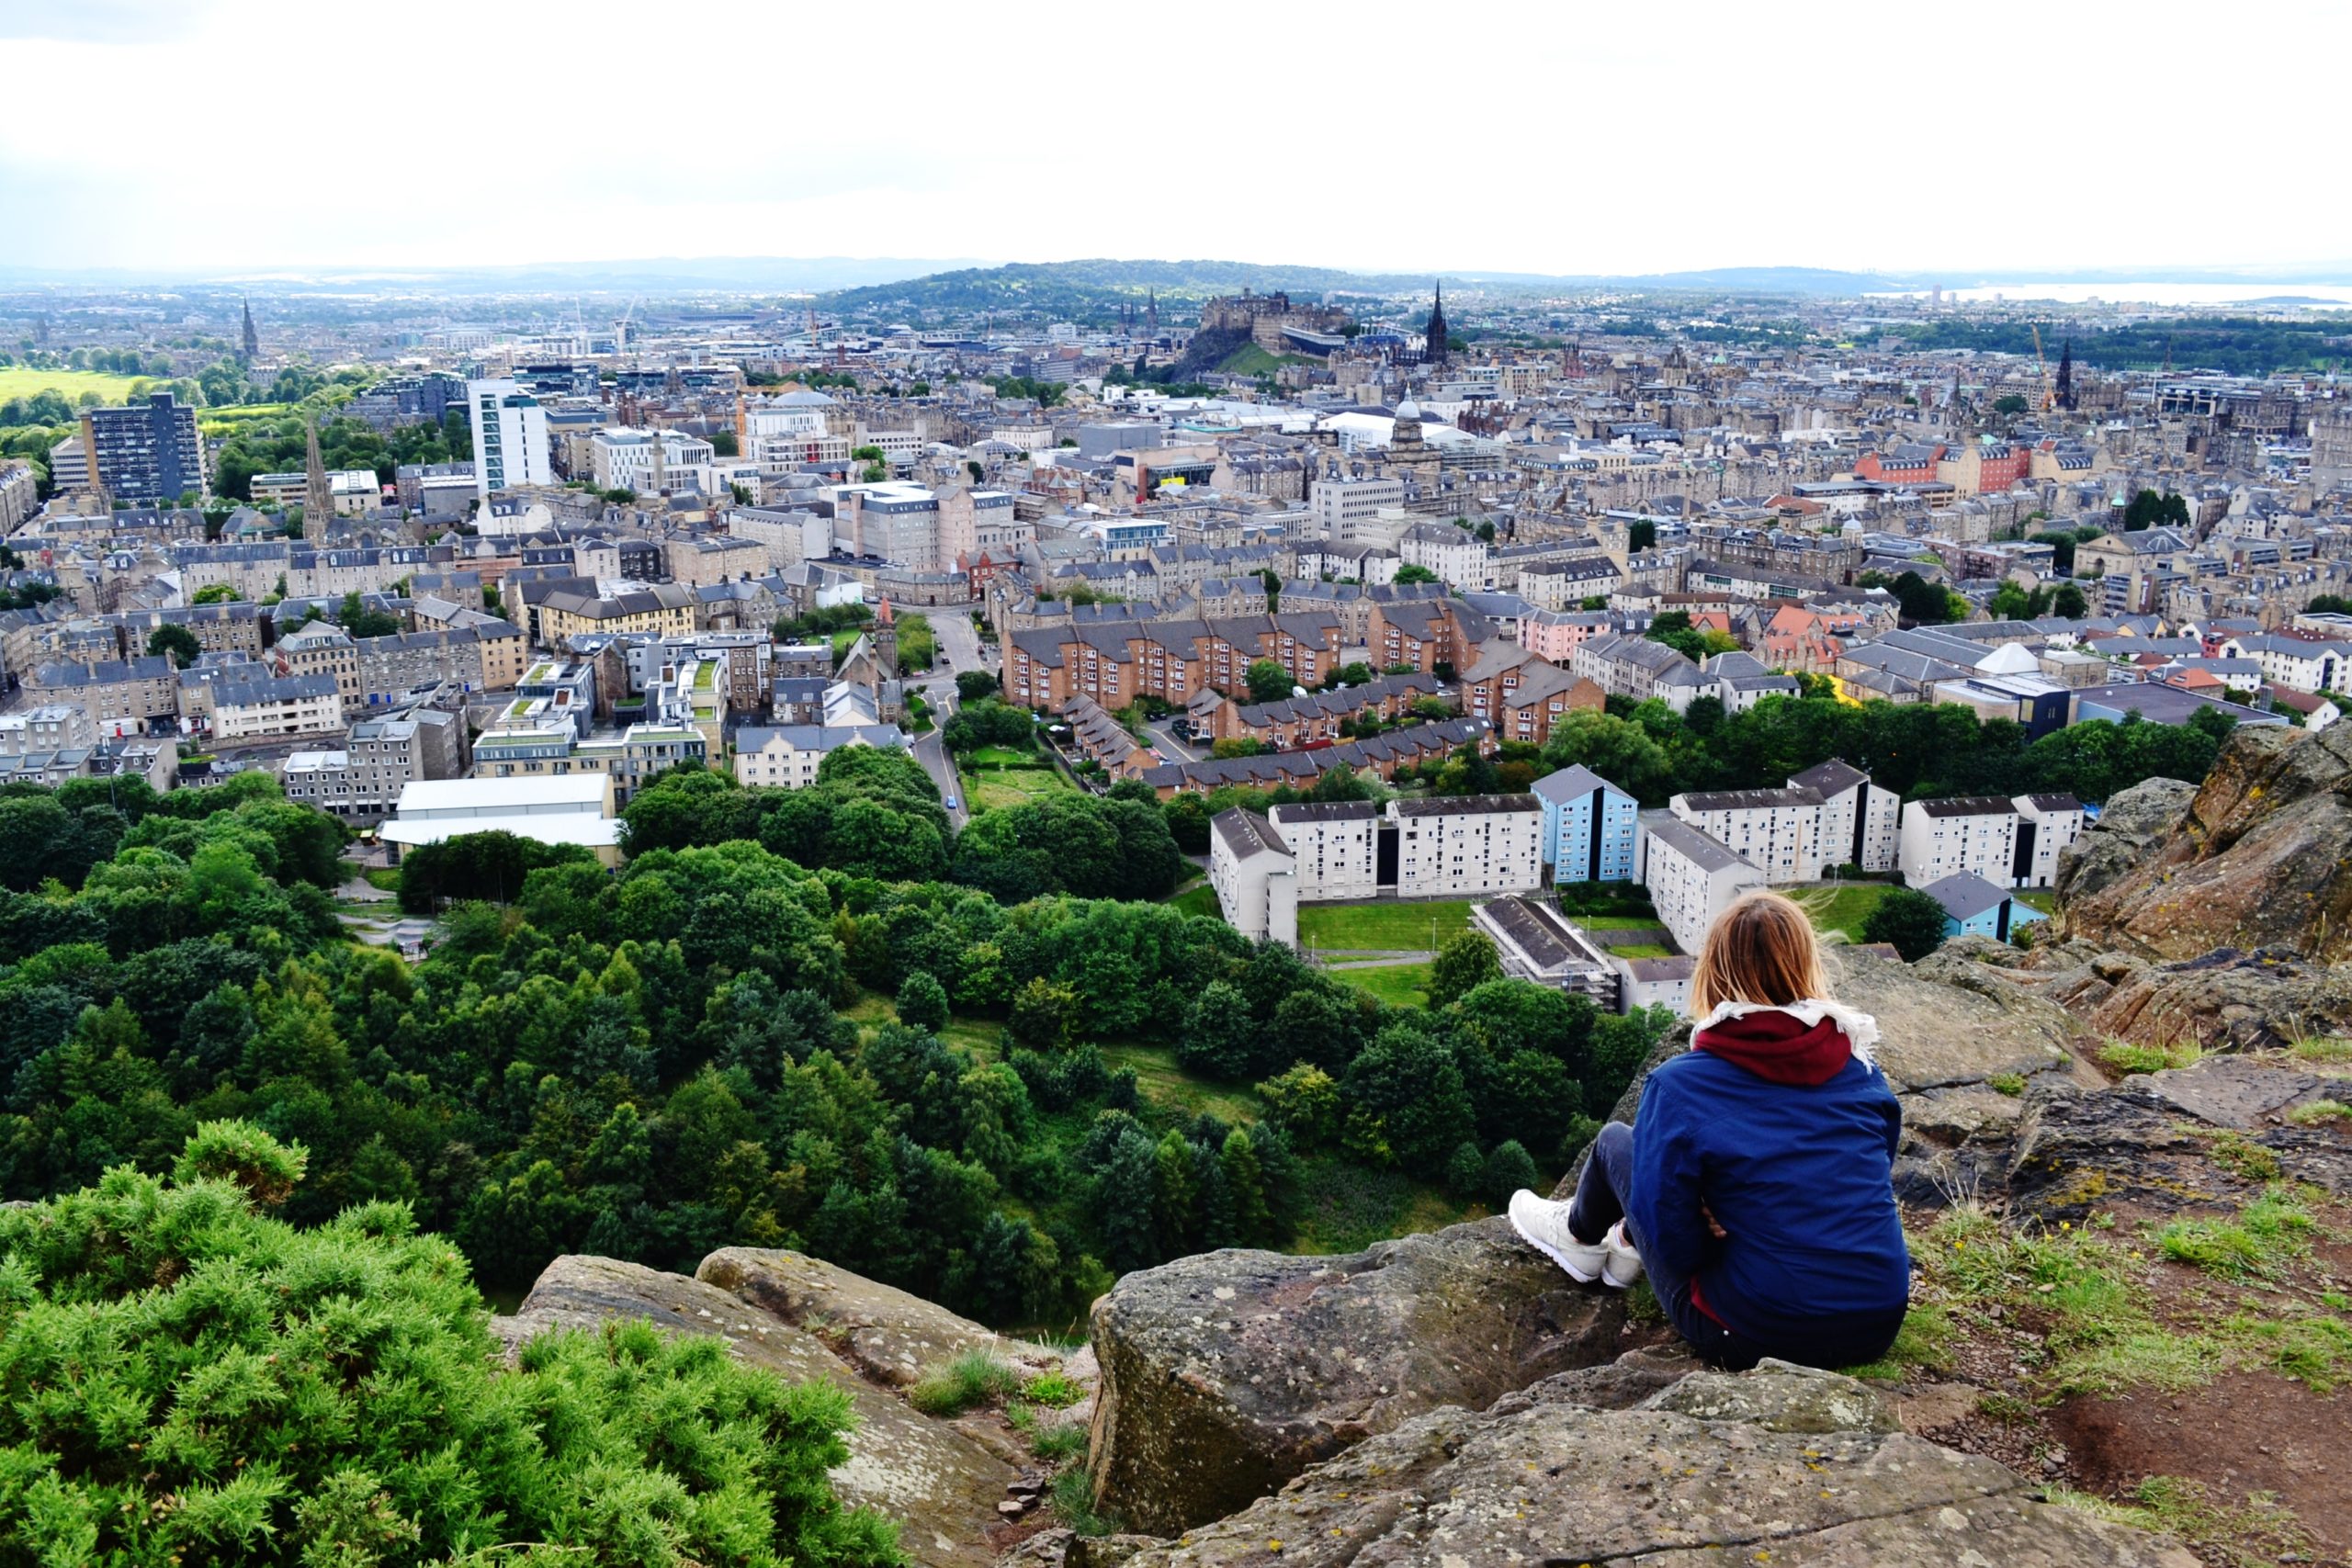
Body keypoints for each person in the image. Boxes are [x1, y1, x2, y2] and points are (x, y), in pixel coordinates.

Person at [1508, 890, 1910, 1371]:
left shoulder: (1682, 1085)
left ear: (1714, 972)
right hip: (1875, 1324)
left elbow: (1680, 1250)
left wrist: (1709, 1215)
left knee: (1618, 1141)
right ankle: (1623, 1247)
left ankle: (1578, 1238)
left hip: (1753, 1332)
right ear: (1807, 965)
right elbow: (1861, 1175)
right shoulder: (1860, 1069)